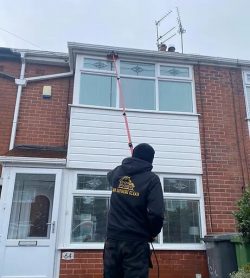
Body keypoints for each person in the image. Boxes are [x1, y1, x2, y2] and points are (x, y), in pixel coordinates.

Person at [103, 143, 164, 278]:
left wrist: (129, 165)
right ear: (151, 160)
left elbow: (109, 176)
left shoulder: (118, 172)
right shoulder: (152, 179)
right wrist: (152, 233)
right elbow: (156, 214)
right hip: (136, 243)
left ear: (133, 155)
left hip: (112, 240)